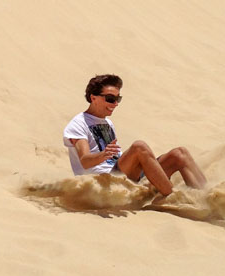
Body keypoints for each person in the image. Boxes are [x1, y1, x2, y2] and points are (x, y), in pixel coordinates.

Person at [63, 74, 207, 196]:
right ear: (93, 98)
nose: (115, 104)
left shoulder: (107, 123)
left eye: (117, 99)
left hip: (125, 177)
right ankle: (173, 198)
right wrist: (103, 155)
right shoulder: (78, 124)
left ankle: (207, 198)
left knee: (179, 153)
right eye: (110, 99)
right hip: (102, 183)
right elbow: (84, 161)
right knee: (139, 147)